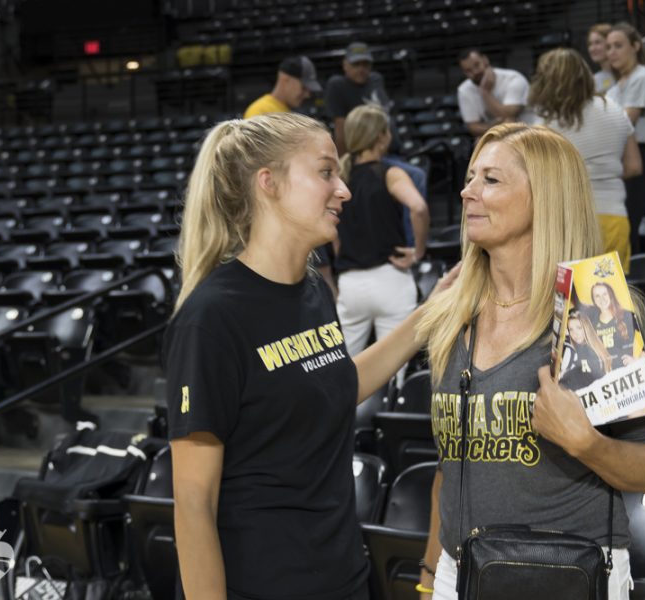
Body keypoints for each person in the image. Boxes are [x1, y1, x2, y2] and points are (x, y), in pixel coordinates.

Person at [164, 113, 458, 600]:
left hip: (340, 576)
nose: (343, 190)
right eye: (325, 172)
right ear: (269, 184)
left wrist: (432, 312)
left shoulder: (314, 291)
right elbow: (193, 504)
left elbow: (336, 382)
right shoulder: (211, 319)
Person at [415, 123, 645, 600]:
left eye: (490, 180)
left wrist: (586, 443)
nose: (468, 192)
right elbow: (447, 468)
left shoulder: (594, 311)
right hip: (459, 572)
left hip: (563, 573)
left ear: (546, 197)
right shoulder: (451, 315)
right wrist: (431, 578)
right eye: (471, 177)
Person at [525, 47, 642, 268]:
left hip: (568, 223)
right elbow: (634, 166)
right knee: (607, 300)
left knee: (567, 301)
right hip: (614, 218)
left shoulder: (544, 124)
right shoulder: (615, 109)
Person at [335, 104, 430, 367]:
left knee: (343, 370)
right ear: (381, 136)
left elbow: (332, 232)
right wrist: (419, 252)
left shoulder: (339, 176)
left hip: (350, 284)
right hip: (391, 279)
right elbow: (419, 208)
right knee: (392, 372)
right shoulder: (391, 173)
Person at [324, 41, 427, 244]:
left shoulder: (376, 80)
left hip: (388, 153)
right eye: (356, 64)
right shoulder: (338, 85)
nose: (362, 69)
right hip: (364, 154)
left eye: (366, 64)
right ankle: (411, 244)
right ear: (345, 65)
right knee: (416, 177)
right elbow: (340, 128)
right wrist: (344, 162)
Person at [606, 23, 645, 255]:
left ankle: (632, 288)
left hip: (639, 157)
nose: (612, 52)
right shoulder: (613, 88)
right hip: (617, 158)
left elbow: (625, 122)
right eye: (609, 47)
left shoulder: (643, 77)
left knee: (629, 229)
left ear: (635, 46)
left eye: (618, 46)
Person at [457, 48, 530, 137]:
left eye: (477, 65)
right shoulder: (464, 90)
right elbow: (473, 127)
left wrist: (485, 92)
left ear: (485, 60)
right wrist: (493, 127)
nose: (475, 72)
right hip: (498, 136)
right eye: (468, 71)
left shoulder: (514, 79)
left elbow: (508, 116)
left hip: (529, 132)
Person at [243, 55, 321, 118]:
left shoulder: (284, 111)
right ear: (286, 79)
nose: (307, 95)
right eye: (303, 87)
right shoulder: (259, 112)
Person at [559, 307, 613, 391]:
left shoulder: (586, 350)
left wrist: (564, 375)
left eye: (579, 328)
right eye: (571, 330)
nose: (575, 334)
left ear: (586, 327)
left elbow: (588, 380)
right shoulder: (587, 348)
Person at [588, 280, 637, 368]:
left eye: (605, 294)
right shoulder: (592, 323)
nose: (602, 299)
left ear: (611, 295)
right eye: (597, 296)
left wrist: (637, 360)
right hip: (606, 375)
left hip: (629, 370)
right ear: (594, 300)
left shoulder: (627, 315)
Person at [587, 23, 615, 93]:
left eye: (597, 42)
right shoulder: (593, 80)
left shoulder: (624, 74)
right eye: (590, 44)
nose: (593, 48)